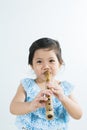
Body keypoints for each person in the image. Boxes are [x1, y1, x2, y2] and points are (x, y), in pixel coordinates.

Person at [10, 37, 82, 130]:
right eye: (39, 61)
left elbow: (78, 114)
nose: (46, 66)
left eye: (51, 61)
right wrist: (31, 105)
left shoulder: (64, 87)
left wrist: (63, 98)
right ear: (32, 66)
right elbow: (13, 108)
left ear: (60, 64)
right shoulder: (27, 85)